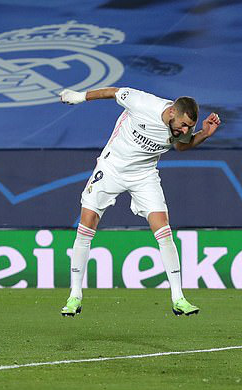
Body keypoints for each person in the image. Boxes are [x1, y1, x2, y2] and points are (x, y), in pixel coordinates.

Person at [58, 87, 221, 317]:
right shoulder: (144, 104)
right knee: (87, 222)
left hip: (144, 174)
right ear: (172, 111)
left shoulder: (182, 127)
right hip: (112, 167)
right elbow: (113, 92)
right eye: (183, 125)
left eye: (189, 127)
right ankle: (74, 295)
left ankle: (178, 298)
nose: (185, 130)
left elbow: (181, 144)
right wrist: (80, 97)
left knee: (163, 228)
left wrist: (203, 134)